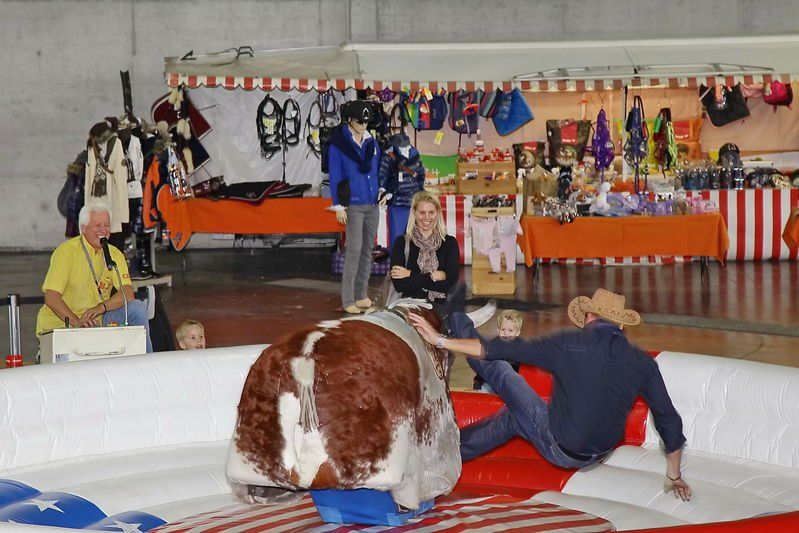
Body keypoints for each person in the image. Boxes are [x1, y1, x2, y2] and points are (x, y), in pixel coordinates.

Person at [410, 288, 692, 502]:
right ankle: (449, 453)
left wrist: (439, 340)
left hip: (563, 447)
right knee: (515, 416)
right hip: (601, 452)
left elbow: (494, 350)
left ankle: (455, 317)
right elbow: (669, 421)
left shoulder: (569, 344)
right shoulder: (642, 362)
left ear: (588, 318)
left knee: (502, 372)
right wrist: (674, 476)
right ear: (620, 325)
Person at [36, 203, 153, 353]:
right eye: (97, 225)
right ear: (83, 228)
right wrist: (77, 323)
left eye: (107, 225)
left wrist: (101, 308)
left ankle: (146, 362)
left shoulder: (114, 254)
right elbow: (51, 297)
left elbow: (127, 293)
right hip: (63, 322)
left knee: (137, 308)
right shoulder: (66, 252)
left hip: (98, 319)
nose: (103, 230)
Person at [327, 100, 381, 315]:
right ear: (349, 120)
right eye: (359, 121)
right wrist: (338, 205)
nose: (363, 125)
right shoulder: (338, 145)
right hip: (353, 204)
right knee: (354, 251)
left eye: (366, 122)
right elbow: (335, 176)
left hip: (372, 203)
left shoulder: (372, 143)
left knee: (367, 250)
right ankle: (348, 298)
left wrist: (383, 190)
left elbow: (378, 170)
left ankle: (361, 294)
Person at [390, 191, 460, 310]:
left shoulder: (449, 243)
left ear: (437, 213)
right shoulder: (401, 243)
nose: (426, 217)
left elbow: (450, 286)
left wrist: (410, 274)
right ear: (414, 213)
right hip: (408, 308)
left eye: (431, 212)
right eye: (422, 212)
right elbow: (399, 285)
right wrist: (433, 276)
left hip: (440, 309)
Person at [378, 132, 425, 248]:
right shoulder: (389, 156)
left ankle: (414, 259)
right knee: (397, 237)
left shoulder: (415, 154)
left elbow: (421, 174)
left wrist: (421, 192)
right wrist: (383, 192)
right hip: (397, 201)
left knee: (415, 238)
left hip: (414, 202)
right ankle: (396, 259)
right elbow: (383, 175)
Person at [474, 309, 523, 393]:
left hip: (509, 383)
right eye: (503, 330)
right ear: (498, 330)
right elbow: (483, 369)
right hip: (490, 382)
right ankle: (480, 393)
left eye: (510, 330)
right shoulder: (492, 347)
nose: (506, 333)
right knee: (485, 389)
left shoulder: (521, 348)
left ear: (517, 332)